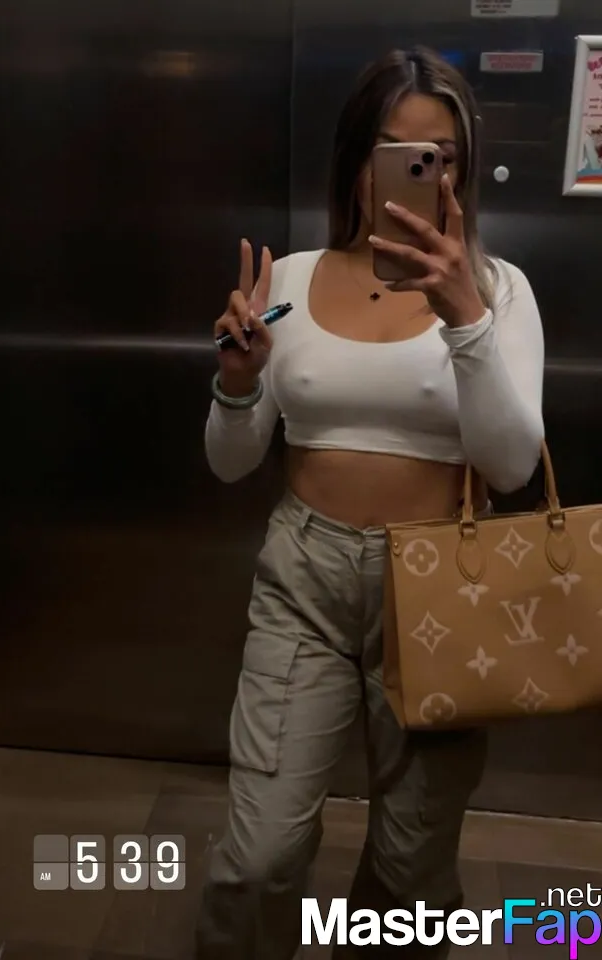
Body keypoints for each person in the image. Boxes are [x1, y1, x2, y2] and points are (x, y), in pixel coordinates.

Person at [196, 47, 544, 958]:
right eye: (396, 153)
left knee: (411, 869)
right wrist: (238, 386)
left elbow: (512, 467)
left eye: (442, 158)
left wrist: (464, 317)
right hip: (303, 580)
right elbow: (232, 464)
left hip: (444, 587)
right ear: (356, 159)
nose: (421, 176)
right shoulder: (288, 281)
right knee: (259, 857)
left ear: (464, 169)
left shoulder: (500, 291)